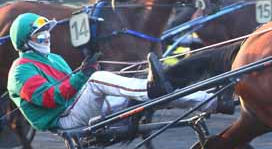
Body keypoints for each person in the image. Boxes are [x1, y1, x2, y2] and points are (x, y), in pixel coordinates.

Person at [6, 13, 214, 131]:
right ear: (26, 42)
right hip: (63, 119)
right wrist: (85, 75)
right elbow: (52, 98)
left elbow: (73, 89)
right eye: (40, 37)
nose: (47, 39)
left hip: (76, 108)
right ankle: (151, 88)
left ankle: (207, 99)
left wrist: (84, 72)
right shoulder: (20, 71)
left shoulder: (54, 59)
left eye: (47, 34)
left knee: (135, 94)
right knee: (98, 80)